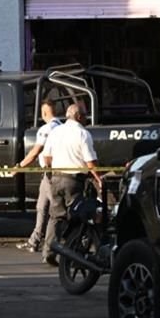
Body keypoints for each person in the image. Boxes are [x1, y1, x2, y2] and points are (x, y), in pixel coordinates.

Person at [40, 104, 100, 267]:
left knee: (55, 216)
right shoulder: (83, 134)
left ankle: (48, 252)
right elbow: (90, 163)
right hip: (73, 181)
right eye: (86, 115)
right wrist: (99, 180)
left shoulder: (55, 131)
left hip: (55, 178)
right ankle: (74, 254)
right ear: (79, 117)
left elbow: (46, 157)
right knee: (77, 216)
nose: (87, 118)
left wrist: (51, 171)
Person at [15, 100, 61, 253]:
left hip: (50, 174)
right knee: (41, 207)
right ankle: (34, 241)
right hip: (55, 173)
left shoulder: (45, 129)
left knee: (55, 210)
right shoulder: (61, 126)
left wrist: (19, 166)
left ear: (44, 113)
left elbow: (35, 152)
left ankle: (54, 244)